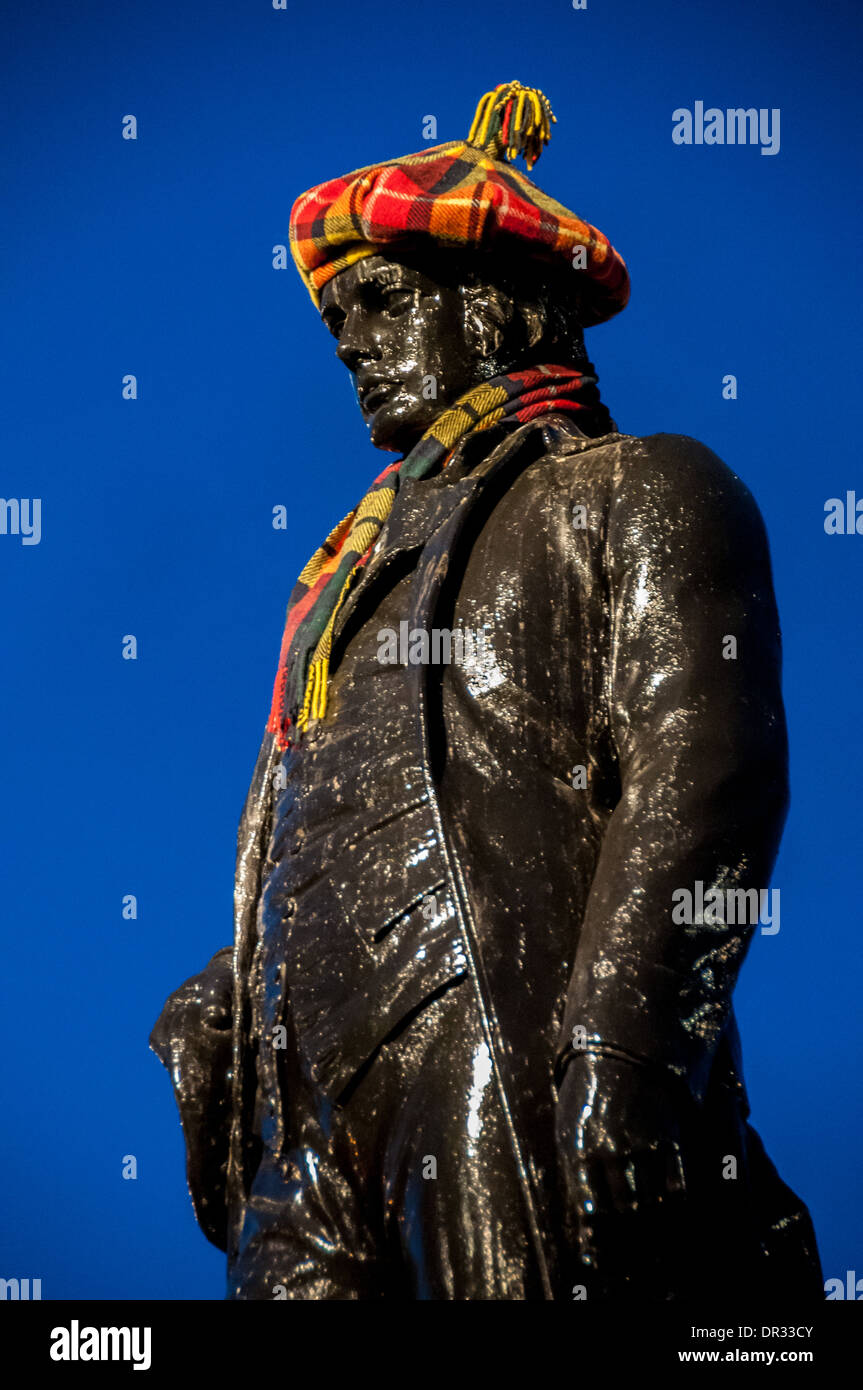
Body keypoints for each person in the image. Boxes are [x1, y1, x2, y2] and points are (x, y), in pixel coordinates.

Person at [152, 81, 822, 1301]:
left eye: (380, 299)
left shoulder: (633, 488)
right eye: (336, 313)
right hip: (305, 1127)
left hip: (496, 1044)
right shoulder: (343, 584)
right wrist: (233, 1001)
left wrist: (623, 1040)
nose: (348, 338)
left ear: (497, 301)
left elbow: (705, 770)